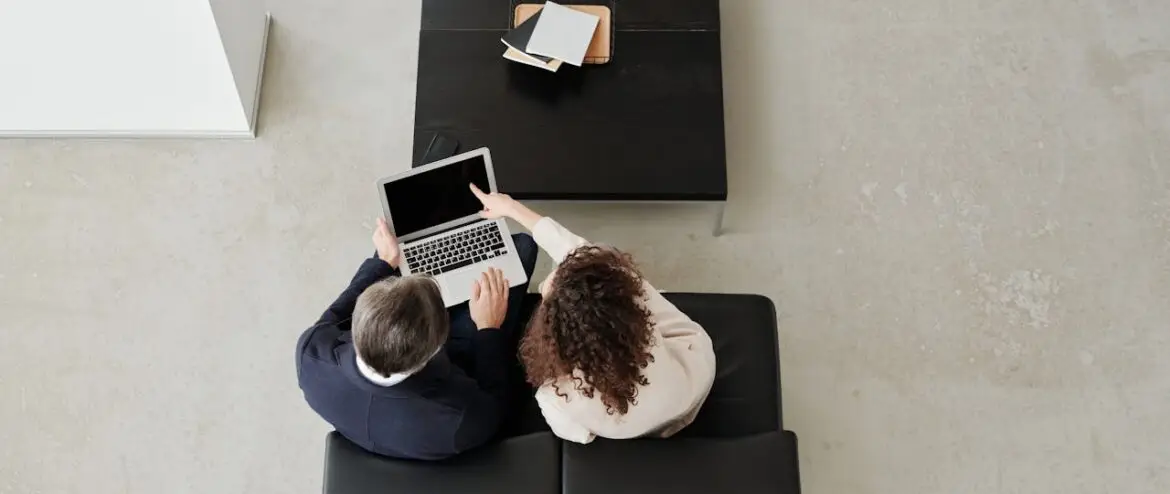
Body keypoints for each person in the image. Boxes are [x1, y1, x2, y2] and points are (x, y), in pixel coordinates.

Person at [470, 185, 717, 443]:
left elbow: (582, 436)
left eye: (546, 296)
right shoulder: (635, 310)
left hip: (653, 410)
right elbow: (582, 254)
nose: (542, 288)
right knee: (630, 283)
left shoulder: (556, 396)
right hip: (694, 376)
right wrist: (511, 208)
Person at [295, 217, 537, 460]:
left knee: (401, 250)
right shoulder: (460, 420)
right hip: (460, 360)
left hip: (408, 365)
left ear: (358, 322)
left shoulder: (311, 354)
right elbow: (495, 398)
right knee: (523, 247)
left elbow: (340, 311)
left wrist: (382, 263)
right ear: (437, 346)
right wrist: (488, 328)